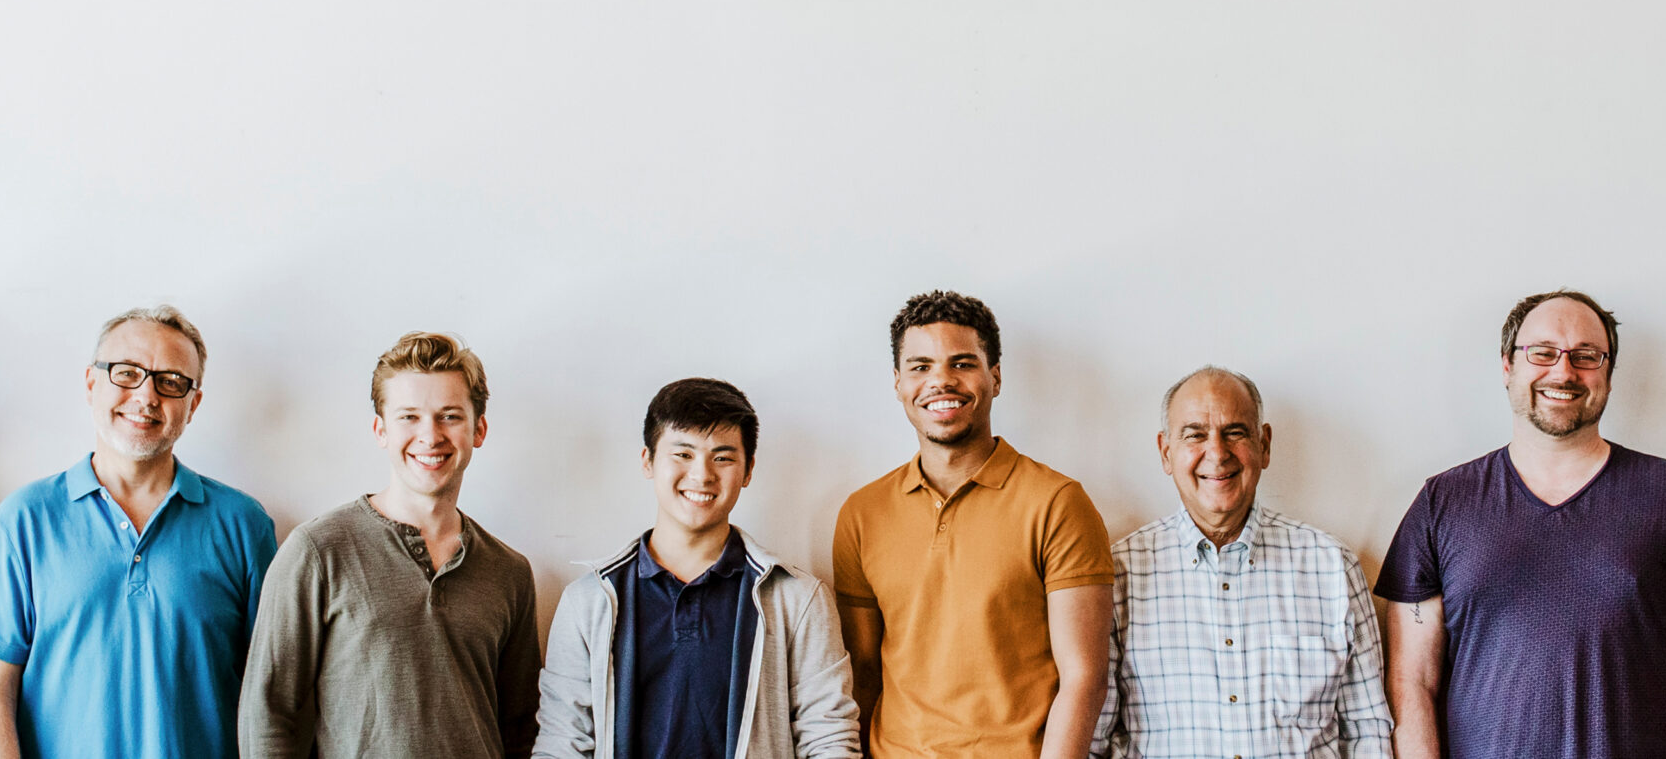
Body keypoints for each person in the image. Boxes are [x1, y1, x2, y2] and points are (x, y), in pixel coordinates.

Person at [1375, 289, 1666, 759]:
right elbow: (1411, 684)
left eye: (1586, 356)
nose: (1564, 372)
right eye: (1542, 353)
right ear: (1508, 366)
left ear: (1608, 374)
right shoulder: (1440, 504)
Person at [0, 305, 278, 758]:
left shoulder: (243, 524)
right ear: (92, 384)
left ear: (193, 404)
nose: (147, 396)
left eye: (170, 381)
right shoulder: (24, 520)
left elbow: (274, 692)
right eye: (127, 373)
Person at [833, 290, 1116, 759]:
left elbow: (1084, 678)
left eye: (962, 363)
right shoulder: (862, 513)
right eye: (921, 366)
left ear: (995, 377)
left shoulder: (1058, 503)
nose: (940, 381)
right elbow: (861, 674)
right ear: (899, 382)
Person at [240, 331, 541, 757]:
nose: (430, 435)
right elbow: (268, 713)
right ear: (381, 429)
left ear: (479, 429)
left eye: (450, 416)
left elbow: (521, 727)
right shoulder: (318, 551)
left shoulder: (510, 572)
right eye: (409, 417)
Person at [534, 377, 861, 759]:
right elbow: (562, 744)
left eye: (722, 457)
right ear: (648, 461)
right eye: (683, 454)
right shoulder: (588, 602)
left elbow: (829, 739)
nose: (702, 475)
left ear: (748, 469)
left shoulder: (798, 599)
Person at [1090, 366, 1394, 758]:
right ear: (1166, 452)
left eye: (1235, 432)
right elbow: (1093, 737)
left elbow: (1368, 730)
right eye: (1195, 434)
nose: (1217, 453)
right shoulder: (1118, 577)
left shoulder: (1332, 568)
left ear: (1264, 445)